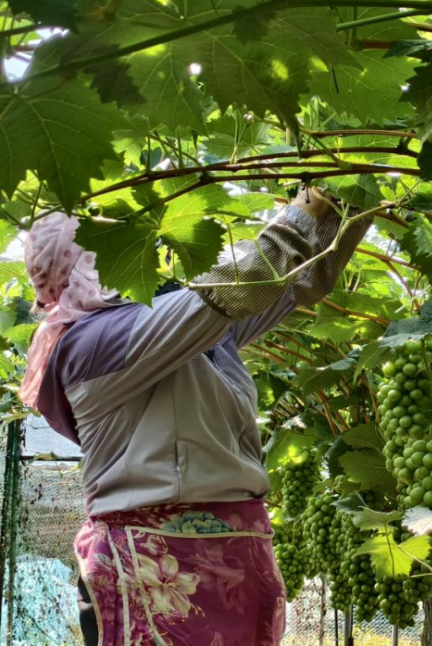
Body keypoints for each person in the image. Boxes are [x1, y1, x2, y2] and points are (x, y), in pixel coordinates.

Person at [18, 184, 368, 646]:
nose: (149, 248)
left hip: (236, 552)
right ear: (85, 259)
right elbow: (229, 293)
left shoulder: (181, 336)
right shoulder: (92, 342)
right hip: (156, 566)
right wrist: (302, 211)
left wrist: (355, 201)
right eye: (121, 241)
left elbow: (299, 281)